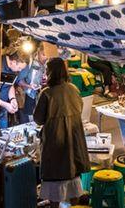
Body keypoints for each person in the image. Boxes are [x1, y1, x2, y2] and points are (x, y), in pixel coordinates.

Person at [34, 57, 89, 208]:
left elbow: (38, 119)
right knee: (73, 181)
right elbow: (79, 108)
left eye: (47, 70)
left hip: (55, 142)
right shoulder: (73, 89)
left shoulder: (47, 93)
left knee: (55, 184)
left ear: (51, 72)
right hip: (73, 139)